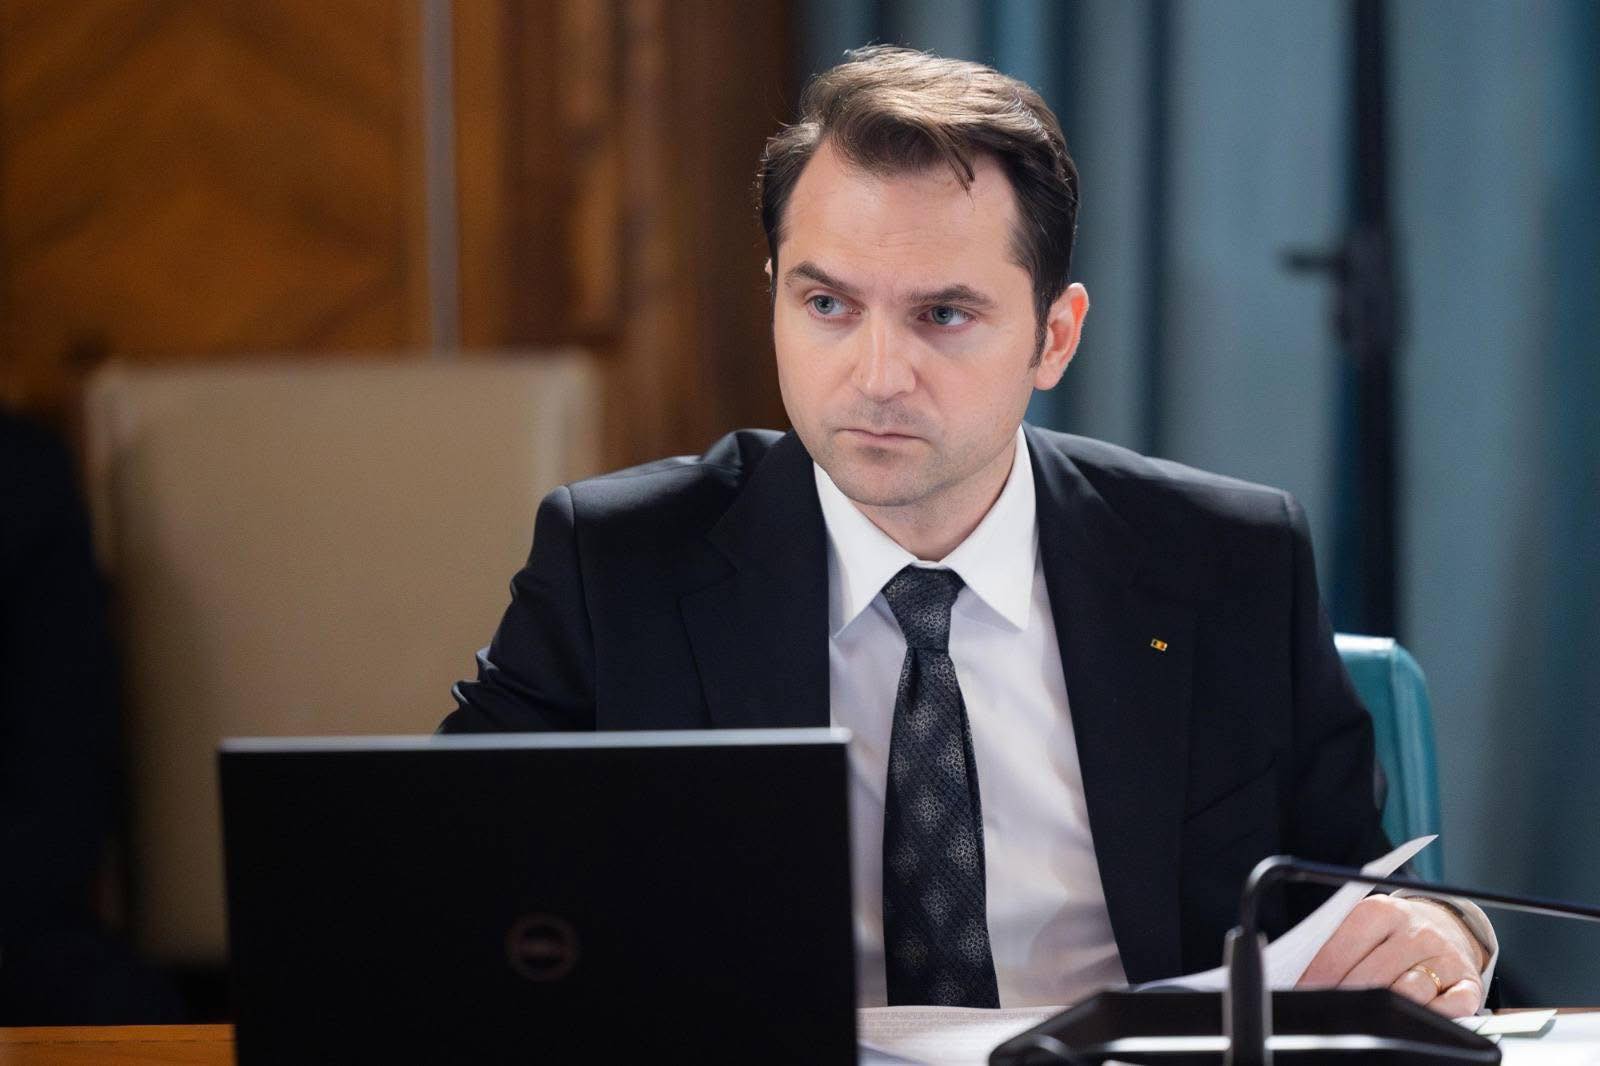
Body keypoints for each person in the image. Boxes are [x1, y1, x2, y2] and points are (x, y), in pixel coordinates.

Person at [443, 45, 1493, 1015]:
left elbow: (1352, 896)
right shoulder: (619, 565)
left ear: (1054, 336)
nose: (876, 375)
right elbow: (442, 880)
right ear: (773, 298)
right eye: (827, 306)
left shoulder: (1227, 560)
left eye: (942, 315)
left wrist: (1438, 935)